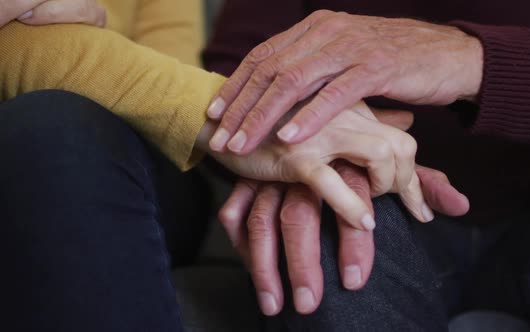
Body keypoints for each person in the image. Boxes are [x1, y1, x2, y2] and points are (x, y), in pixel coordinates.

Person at [0, 0, 458, 330]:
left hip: (133, 150)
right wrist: (242, 123)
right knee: (47, 122)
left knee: (59, 127)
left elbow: (172, 62)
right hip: (71, 136)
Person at [204, 0, 530, 330]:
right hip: (385, 195)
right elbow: (236, 69)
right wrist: (310, 141)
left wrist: (470, 61)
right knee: (332, 217)